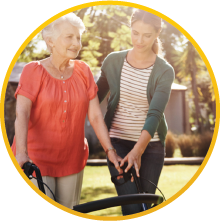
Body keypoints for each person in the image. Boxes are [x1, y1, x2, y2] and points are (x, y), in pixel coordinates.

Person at [11, 13, 122, 209]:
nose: (76, 43)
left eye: (78, 37)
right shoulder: (33, 71)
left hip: (72, 158)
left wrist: (110, 150)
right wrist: (21, 153)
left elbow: (95, 116)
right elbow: (22, 114)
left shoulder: (83, 71)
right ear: (50, 41)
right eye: (69, 37)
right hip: (35, 159)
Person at [97, 9, 175, 215]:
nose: (139, 40)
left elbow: (154, 114)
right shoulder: (112, 61)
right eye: (135, 33)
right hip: (118, 143)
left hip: (151, 147)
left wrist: (138, 151)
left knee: (144, 208)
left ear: (158, 33)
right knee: (132, 207)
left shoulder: (165, 71)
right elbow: (92, 99)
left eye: (147, 35)